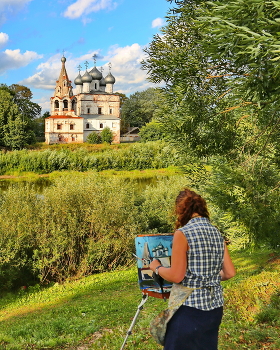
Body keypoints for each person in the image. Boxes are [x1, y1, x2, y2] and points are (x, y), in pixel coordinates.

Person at [150, 188, 236, 350]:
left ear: (181, 210)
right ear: (201, 208)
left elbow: (176, 275)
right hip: (214, 308)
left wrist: (157, 267)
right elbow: (230, 272)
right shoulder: (216, 232)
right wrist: (208, 276)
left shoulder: (183, 233)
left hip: (189, 309)